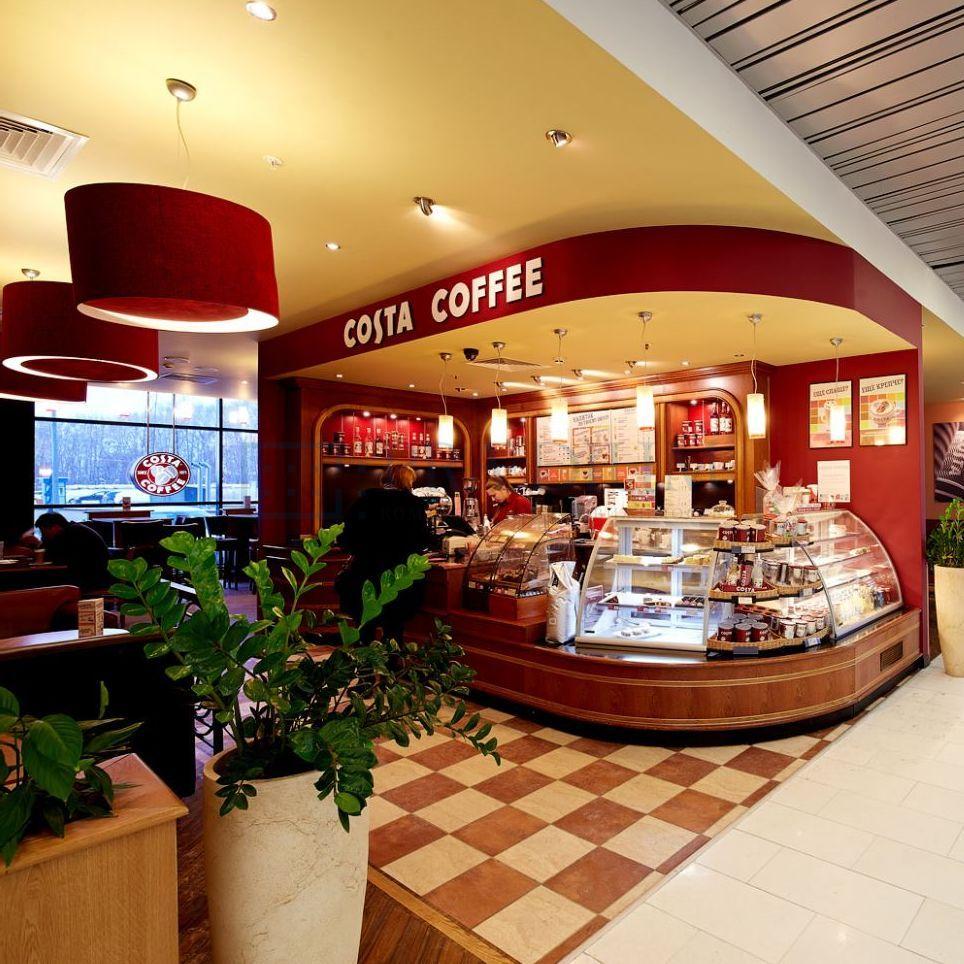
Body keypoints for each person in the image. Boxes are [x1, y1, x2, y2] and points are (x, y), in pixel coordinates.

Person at [336, 464, 430, 643]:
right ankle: (393, 657)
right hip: (399, 575)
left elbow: (345, 536)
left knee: (365, 625)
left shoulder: (364, 501)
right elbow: (422, 540)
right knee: (395, 628)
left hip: (365, 572)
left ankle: (364, 658)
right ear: (407, 481)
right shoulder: (414, 505)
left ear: (385, 479)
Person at [34, 511, 111, 592]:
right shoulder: (72, 530)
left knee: (39, 581)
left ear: (55, 527)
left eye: (43, 532)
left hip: (91, 580)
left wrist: (37, 545)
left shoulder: (71, 534)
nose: (43, 535)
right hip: (90, 576)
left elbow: (53, 556)